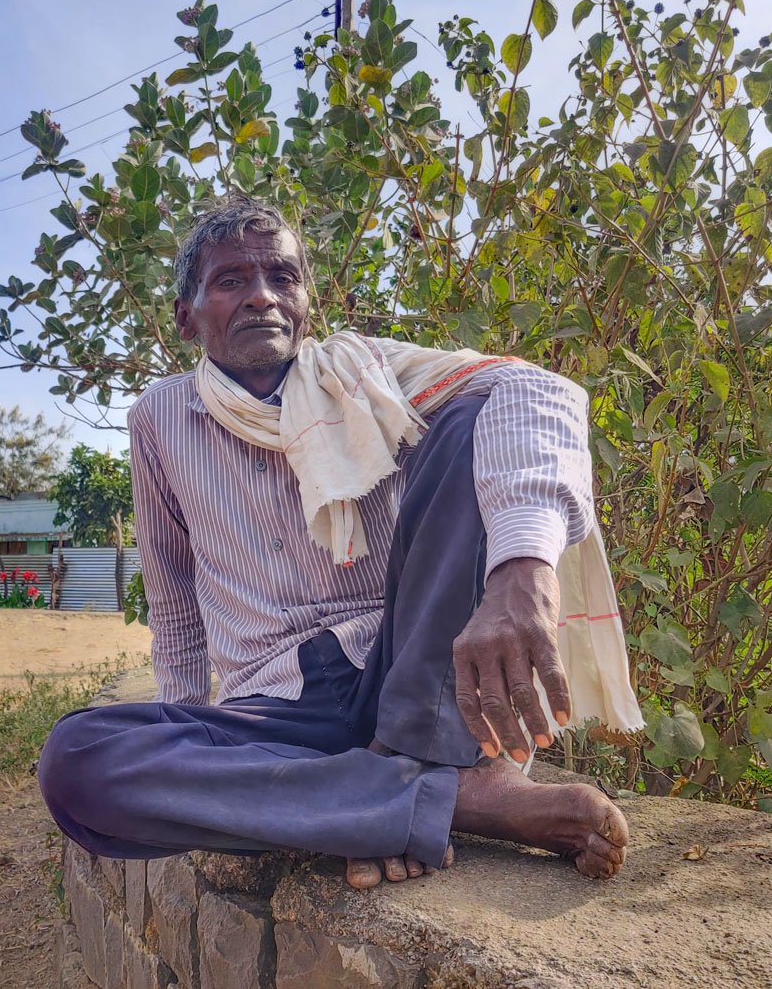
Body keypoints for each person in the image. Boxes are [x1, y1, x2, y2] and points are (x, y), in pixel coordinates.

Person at [37, 197, 631, 889]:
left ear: (306, 303)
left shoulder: (363, 373)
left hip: (411, 686)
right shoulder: (158, 419)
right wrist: (194, 746)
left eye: (282, 278)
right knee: (77, 758)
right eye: (231, 281)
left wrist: (522, 574)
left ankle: (402, 773)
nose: (262, 296)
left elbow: (538, 390)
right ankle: (442, 797)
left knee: (472, 416)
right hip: (277, 712)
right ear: (185, 315)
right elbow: (175, 612)